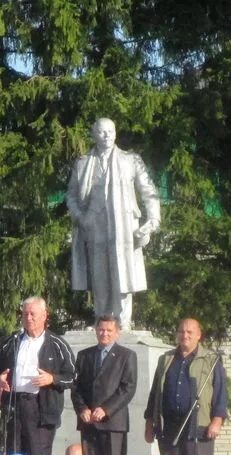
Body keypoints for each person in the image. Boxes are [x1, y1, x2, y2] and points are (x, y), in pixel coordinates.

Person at [67, 117, 161, 330]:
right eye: (102, 131)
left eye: (111, 131)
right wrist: (80, 217)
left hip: (124, 225)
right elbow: (71, 195)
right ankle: (102, 320)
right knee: (99, 275)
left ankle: (121, 321)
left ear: (116, 133)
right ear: (93, 135)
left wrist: (152, 220)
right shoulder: (83, 162)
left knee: (122, 274)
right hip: (94, 225)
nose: (107, 135)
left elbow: (149, 191)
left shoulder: (131, 160)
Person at [0, 296, 76, 455]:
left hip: (41, 408)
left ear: (44, 316)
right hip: (14, 406)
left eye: (32, 314)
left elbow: (72, 376)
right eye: (24, 314)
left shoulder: (57, 344)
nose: (28, 318)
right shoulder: (12, 342)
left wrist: (52, 378)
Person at [144, 318, 227, 455]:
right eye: (181, 331)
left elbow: (220, 393)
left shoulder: (211, 360)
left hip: (198, 428)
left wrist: (217, 420)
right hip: (169, 428)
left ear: (198, 335)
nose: (185, 335)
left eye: (190, 332)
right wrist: (149, 423)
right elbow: (155, 393)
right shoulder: (166, 359)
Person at [71, 315, 138, 455]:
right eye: (101, 329)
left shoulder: (126, 356)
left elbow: (128, 388)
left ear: (117, 333)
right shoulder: (84, 355)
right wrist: (82, 409)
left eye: (109, 330)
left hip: (113, 423)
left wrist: (106, 409)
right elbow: (76, 387)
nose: (104, 333)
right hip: (89, 423)